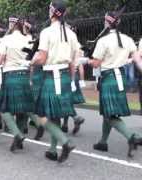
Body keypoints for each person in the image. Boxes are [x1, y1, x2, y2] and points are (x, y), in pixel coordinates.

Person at [80, 11, 142, 157]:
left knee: (109, 113)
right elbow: (138, 61)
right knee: (108, 112)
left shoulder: (103, 41)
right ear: (118, 23)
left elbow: (96, 64)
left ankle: (131, 136)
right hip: (120, 78)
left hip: (108, 78)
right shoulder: (128, 39)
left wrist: (85, 60)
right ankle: (103, 142)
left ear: (107, 23)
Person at [30, 0, 77, 163]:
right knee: (55, 116)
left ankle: (65, 142)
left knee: (41, 115)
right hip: (64, 77)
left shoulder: (46, 32)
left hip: (51, 76)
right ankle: (52, 150)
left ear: (53, 12)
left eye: (49, 9)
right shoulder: (71, 34)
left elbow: (42, 59)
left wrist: (30, 62)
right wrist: (71, 81)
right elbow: (73, 63)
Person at [0, 15, 35, 152]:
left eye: (9, 23)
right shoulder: (29, 39)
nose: (8, 25)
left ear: (13, 25)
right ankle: (18, 140)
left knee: (3, 109)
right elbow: (31, 62)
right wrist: (30, 78)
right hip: (25, 75)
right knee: (22, 110)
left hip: (11, 75)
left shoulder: (6, 39)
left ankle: (18, 134)